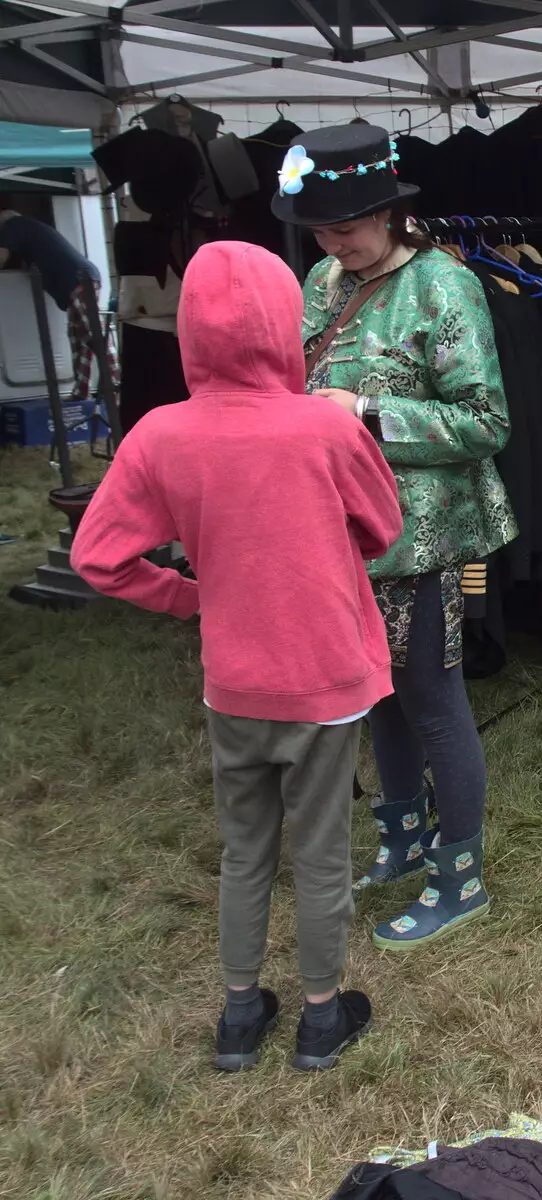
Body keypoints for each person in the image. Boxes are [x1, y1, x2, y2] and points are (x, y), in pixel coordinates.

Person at [71, 240, 403, 1072]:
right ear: (284, 324)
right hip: (324, 677)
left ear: (188, 333)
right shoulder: (327, 425)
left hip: (235, 680)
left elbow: (98, 557)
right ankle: (322, 1019)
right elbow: (383, 529)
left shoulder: (160, 434)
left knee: (243, 849)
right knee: (322, 850)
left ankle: (238, 1015)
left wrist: (195, 595)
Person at [274, 123, 517, 950]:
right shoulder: (321, 280)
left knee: (432, 700)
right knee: (372, 692)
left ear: (390, 212)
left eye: (345, 228)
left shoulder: (445, 286)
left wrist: (369, 413)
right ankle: (404, 841)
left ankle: (461, 877)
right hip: (340, 534)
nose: (331, 243)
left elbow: (487, 422)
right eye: (319, 230)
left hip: (424, 537)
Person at [0, 197, 117, 407]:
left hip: (77, 280)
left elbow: (2, 257)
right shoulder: (30, 227)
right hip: (81, 279)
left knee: (93, 335)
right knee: (80, 339)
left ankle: (116, 383)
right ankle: (82, 391)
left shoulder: (11, 226)